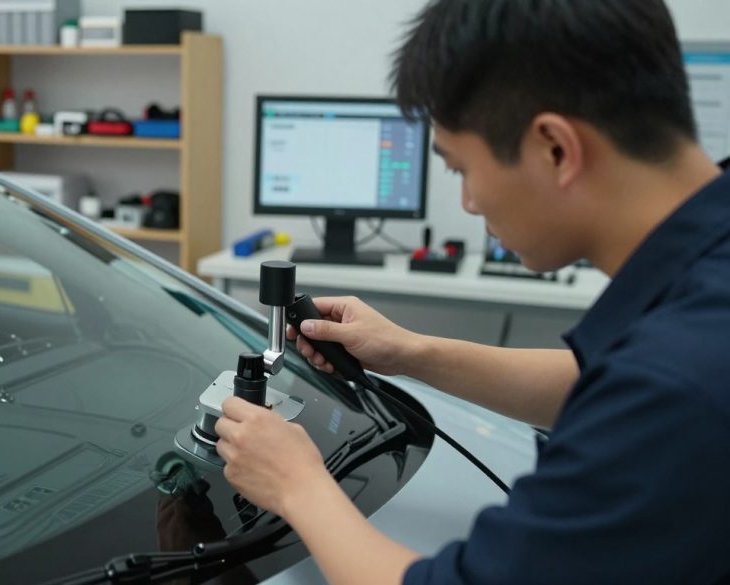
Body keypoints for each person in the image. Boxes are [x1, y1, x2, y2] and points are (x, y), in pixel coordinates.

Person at [214, 1, 730, 583]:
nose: (469, 203)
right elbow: (601, 382)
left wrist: (297, 485)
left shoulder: (676, 387)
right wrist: (410, 352)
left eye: (460, 168)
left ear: (554, 148)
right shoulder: (700, 299)